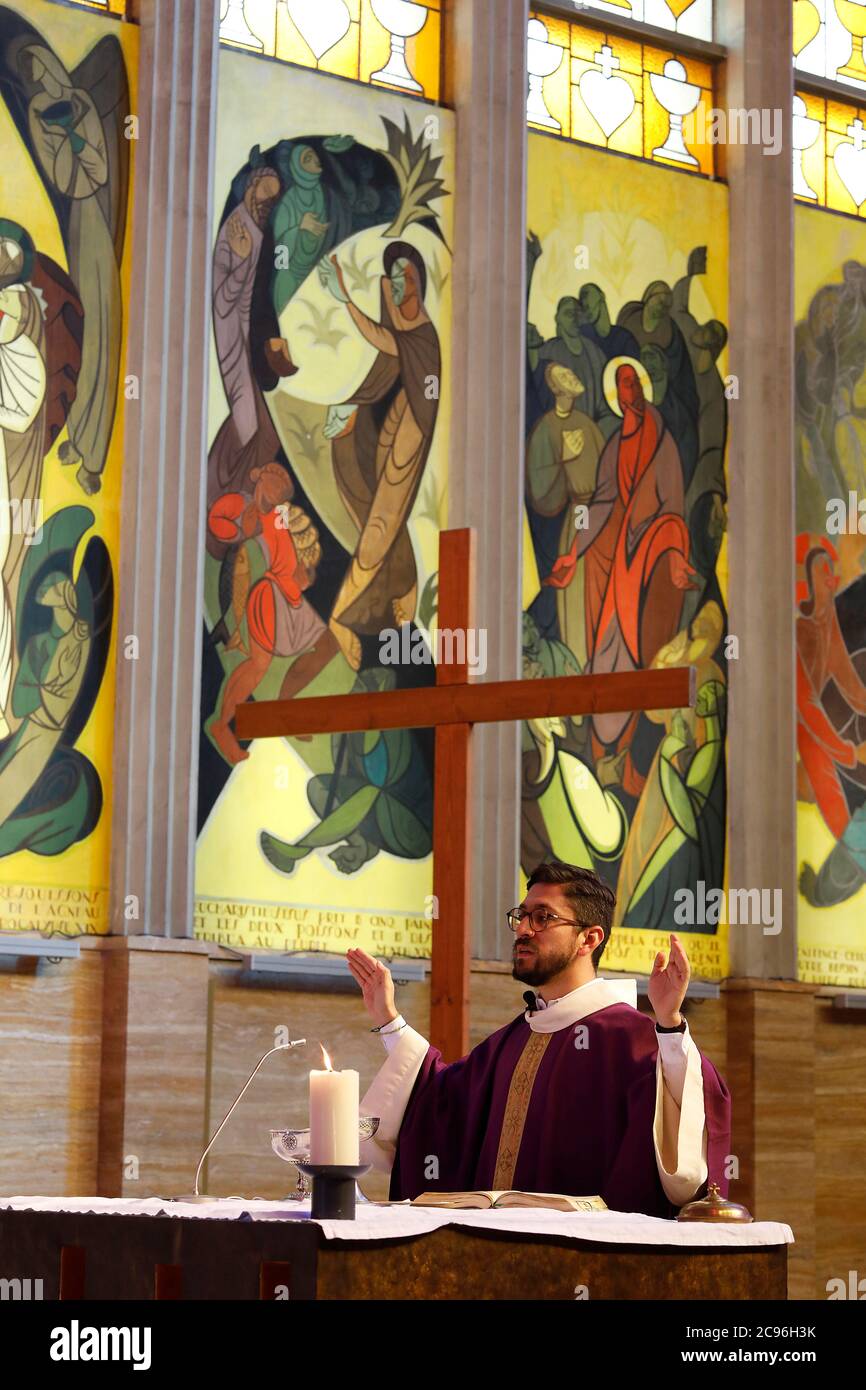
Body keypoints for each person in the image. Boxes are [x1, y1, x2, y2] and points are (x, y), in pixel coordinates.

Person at [348, 861, 731, 1216]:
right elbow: (437, 1100)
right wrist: (388, 1019)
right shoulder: (510, 1042)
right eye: (521, 916)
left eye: (543, 917)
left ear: (589, 939)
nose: (523, 929)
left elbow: (692, 1114)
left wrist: (668, 1021)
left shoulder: (635, 1041)